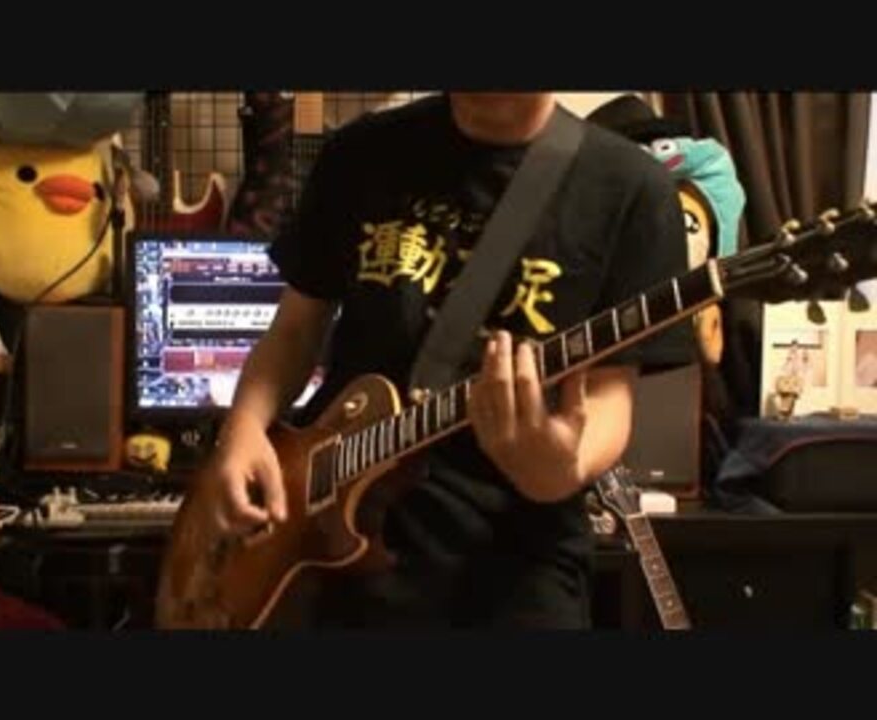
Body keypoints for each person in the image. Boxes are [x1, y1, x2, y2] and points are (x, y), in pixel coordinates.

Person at [207, 92, 693, 628]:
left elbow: (609, 396)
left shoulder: (630, 187)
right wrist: (242, 429)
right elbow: (296, 329)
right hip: (327, 556)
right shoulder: (360, 154)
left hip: (514, 578)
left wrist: (562, 467)